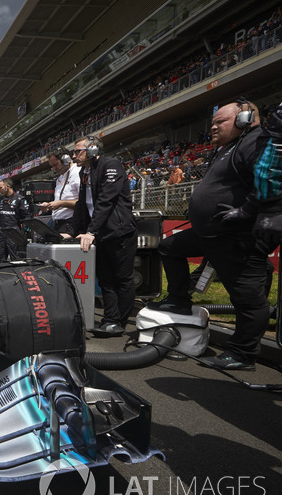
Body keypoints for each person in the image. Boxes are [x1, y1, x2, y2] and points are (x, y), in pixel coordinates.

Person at [149, 99, 274, 370]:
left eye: (220, 122)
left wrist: (246, 210)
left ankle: (242, 354)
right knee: (170, 247)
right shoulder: (228, 147)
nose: (213, 127)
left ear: (244, 119)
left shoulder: (257, 141)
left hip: (236, 236)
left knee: (246, 297)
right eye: (213, 122)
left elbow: (273, 180)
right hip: (212, 233)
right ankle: (179, 299)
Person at [67, 135, 137, 337]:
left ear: (92, 150)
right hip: (101, 233)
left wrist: (91, 231)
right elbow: (82, 204)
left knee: (122, 278)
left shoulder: (110, 165)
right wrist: (72, 231)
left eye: (78, 150)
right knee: (106, 279)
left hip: (120, 232)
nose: (74, 155)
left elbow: (106, 201)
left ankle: (120, 322)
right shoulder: (84, 172)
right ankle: (110, 318)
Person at [39, 149, 80, 234]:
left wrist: (61, 203)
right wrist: (50, 205)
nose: (54, 168)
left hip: (71, 223)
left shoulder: (78, 173)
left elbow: (83, 202)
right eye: (52, 166)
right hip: (58, 223)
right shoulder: (59, 178)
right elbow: (60, 200)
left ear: (66, 159)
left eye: (55, 164)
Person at [0, 177, 31, 262]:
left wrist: (23, 233)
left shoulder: (20, 199)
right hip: (1, 233)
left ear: (8, 186)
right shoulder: (1, 200)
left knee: (16, 259)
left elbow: (27, 218)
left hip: (14, 232)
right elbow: (0, 218)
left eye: (1, 188)